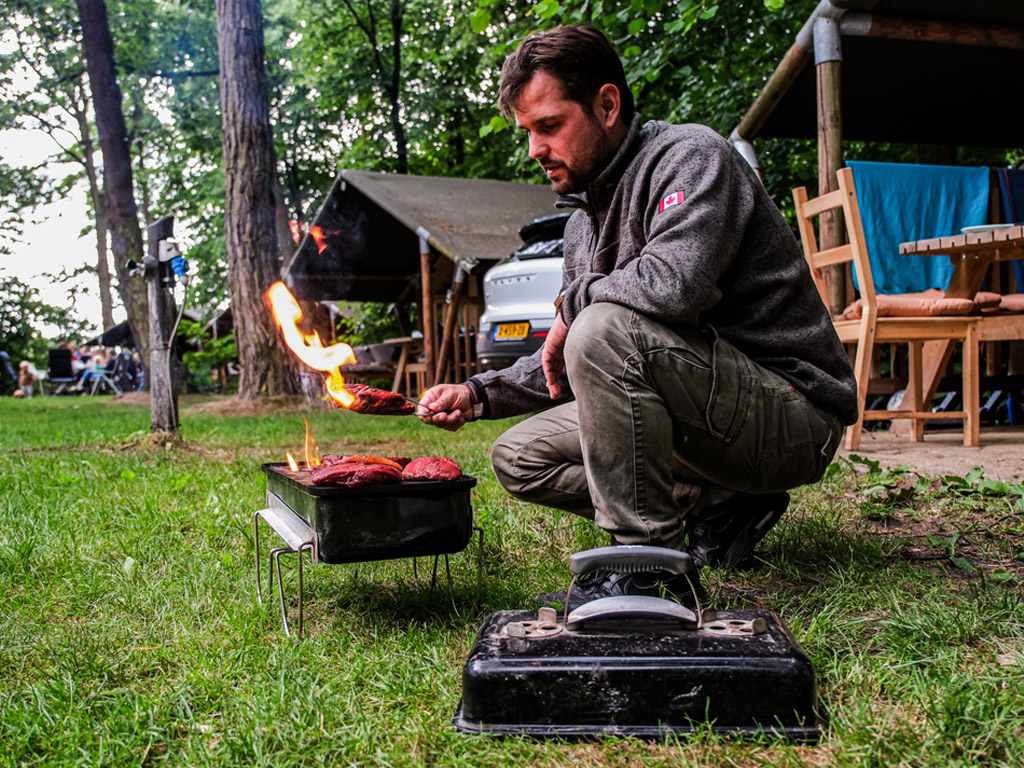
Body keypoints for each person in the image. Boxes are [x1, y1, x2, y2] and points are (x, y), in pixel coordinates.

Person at [417, 25, 858, 605]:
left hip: (793, 416)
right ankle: (718, 506)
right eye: (528, 132)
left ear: (607, 105)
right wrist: (477, 394)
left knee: (600, 328)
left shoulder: (691, 157)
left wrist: (576, 308)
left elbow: (673, 287)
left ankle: (649, 568)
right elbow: (570, 354)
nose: (534, 150)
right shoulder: (582, 225)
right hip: (700, 414)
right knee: (518, 457)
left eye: (549, 126)